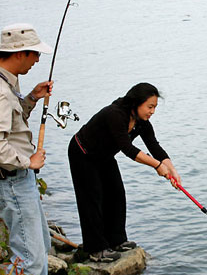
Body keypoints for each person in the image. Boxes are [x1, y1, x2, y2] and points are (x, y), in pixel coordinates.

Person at [0, 23, 72, 275]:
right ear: (20, 54)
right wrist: (29, 161)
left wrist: (31, 98)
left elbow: (11, 125)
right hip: (10, 179)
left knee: (39, 240)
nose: (38, 60)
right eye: (34, 55)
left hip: (16, 178)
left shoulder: (1, 79)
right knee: (29, 253)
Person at [68, 83, 181, 262]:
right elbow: (128, 149)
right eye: (150, 107)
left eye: (155, 107)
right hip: (83, 153)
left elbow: (154, 146)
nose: (152, 111)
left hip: (104, 155)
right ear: (136, 103)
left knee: (117, 194)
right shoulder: (115, 114)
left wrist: (172, 170)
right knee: (92, 198)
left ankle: (116, 240)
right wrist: (157, 166)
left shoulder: (142, 123)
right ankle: (96, 249)